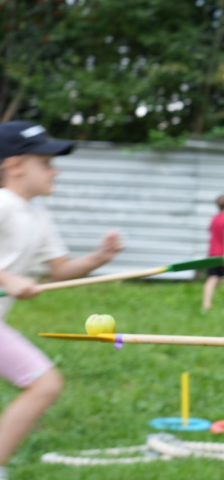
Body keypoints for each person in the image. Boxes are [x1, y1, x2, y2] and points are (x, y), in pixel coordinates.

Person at [0, 121, 123, 479]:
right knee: (45, 383)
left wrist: (99, 258)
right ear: (14, 165)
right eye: (46, 162)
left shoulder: (38, 216)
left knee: (45, 384)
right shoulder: (3, 204)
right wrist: (7, 277)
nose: (56, 170)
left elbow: (60, 270)